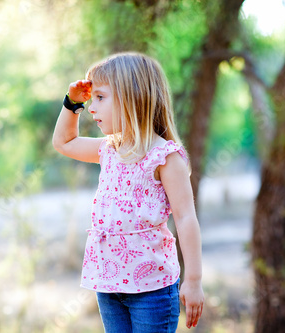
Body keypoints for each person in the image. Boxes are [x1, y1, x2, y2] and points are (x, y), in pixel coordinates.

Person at [52, 52, 204, 332]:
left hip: (152, 290)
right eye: (90, 99)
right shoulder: (108, 150)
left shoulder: (165, 157)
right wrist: (72, 103)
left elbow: (185, 219)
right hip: (108, 286)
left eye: (100, 97)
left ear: (131, 97)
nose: (92, 107)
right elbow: (64, 142)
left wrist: (193, 280)